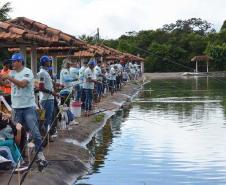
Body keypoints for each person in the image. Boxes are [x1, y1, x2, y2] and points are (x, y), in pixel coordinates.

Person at [0, 53, 47, 166]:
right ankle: (21, 155)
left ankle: (40, 154)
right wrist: (2, 79)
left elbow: (22, 84)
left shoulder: (27, 71)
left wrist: (9, 77)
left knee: (35, 131)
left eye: (14, 61)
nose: (12, 63)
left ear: (20, 61)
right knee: (17, 132)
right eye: (11, 61)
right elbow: (6, 83)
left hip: (28, 107)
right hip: (16, 108)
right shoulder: (12, 72)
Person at [37, 55, 56, 140]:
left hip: (49, 98)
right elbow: (41, 87)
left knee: (46, 118)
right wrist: (52, 92)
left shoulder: (45, 72)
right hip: (46, 100)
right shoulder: (42, 73)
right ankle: (45, 137)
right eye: (48, 61)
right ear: (45, 62)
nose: (49, 62)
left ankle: (45, 136)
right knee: (45, 119)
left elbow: (47, 85)